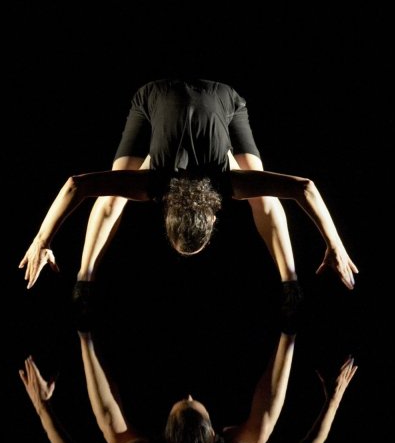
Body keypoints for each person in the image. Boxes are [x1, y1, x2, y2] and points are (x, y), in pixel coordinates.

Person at [19, 78, 359, 295]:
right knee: (111, 196)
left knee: (264, 195)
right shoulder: (154, 184)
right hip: (156, 97)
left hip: (222, 98)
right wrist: (41, 241)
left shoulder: (225, 182)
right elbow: (76, 186)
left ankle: (291, 287)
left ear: (212, 218)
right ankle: (83, 281)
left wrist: (336, 246)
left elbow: (305, 188)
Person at [19, 296, 359, 443]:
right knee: (259, 433)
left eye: (184, 403)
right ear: (214, 436)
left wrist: (41, 405)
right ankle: (290, 330)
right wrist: (334, 399)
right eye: (195, 403)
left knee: (115, 436)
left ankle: (85, 334)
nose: (191, 394)